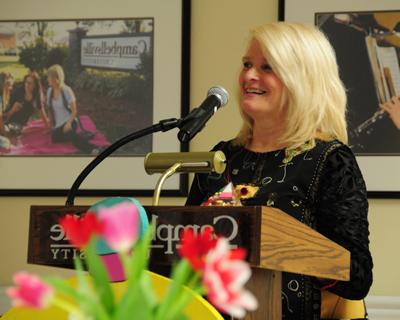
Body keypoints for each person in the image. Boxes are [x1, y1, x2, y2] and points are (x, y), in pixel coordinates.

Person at [186, 22, 373, 319]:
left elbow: (357, 276)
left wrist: (281, 243)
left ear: (302, 80)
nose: (249, 76)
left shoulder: (330, 160)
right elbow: (178, 251)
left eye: (267, 67)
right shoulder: (221, 158)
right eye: (247, 64)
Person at [46, 64, 98, 154]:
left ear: (56, 78)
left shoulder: (67, 90)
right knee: (55, 139)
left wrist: (68, 123)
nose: (47, 79)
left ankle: (93, 149)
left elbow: (74, 111)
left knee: (71, 136)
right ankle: (77, 136)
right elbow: (50, 109)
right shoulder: (49, 91)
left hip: (69, 121)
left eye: (49, 77)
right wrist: (50, 125)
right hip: (58, 125)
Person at [0, 71, 49, 137]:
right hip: (7, 121)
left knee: (13, 131)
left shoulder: (37, 96)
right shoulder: (17, 92)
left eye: (30, 83)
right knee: (7, 134)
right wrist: (13, 110)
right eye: (26, 82)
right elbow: (3, 117)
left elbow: (42, 111)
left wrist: (48, 127)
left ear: (35, 85)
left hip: (19, 125)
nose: (27, 85)